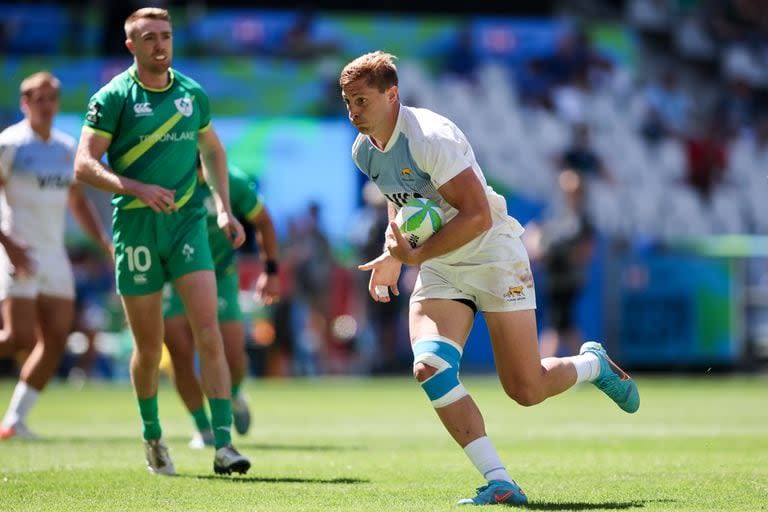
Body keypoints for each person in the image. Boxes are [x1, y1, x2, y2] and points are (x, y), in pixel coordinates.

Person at [339, 51, 640, 507]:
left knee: (526, 389)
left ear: (392, 94)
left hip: (491, 254)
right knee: (430, 368)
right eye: (347, 102)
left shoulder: (430, 137)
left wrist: (412, 254)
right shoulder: (364, 151)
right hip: (442, 265)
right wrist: (392, 253)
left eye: (361, 100)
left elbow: (477, 216)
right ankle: (500, 481)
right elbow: (399, 200)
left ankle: (592, 364)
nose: (353, 112)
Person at [73, 7, 250, 476]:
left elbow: (212, 147)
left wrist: (223, 206)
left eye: (166, 36)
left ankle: (224, 445)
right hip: (135, 227)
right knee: (149, 348)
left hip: (187, 223)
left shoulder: (192, 93)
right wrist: (135, 187)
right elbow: (83, 164)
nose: (160, 45)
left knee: (207, 333)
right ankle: (153, 437)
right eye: (149, 37)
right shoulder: (113, 97)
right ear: (130, 45)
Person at [0, 71, 112, 440]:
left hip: (53, 255)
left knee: (56, 338)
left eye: (52, 99)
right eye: (39, 99)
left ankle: (15, 421)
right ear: (25, 104)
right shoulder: (10, 145)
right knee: (18, 338)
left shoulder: (66, 149)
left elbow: (77, 203)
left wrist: (103, 242)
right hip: (18, 250)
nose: (47, 106)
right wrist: (9, 245)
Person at [162, 159, 280, 449]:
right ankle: (203, 428)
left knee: (235, 357)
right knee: (179, 354)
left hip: (219, 275)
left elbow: (263, 220)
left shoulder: (231, 181)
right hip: (172, 276)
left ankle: (235, 393)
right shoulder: (165, 178)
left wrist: (271, 270)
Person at [524, 169, 596, 359]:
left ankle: (543, 366)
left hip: (568, 279)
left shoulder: (582, 218)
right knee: (565, 325)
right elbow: (538, 234)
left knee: (555, 325)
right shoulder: (558, 215)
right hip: (553, 277)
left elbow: (584, 251)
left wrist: (552, 252)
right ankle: (589, 364)